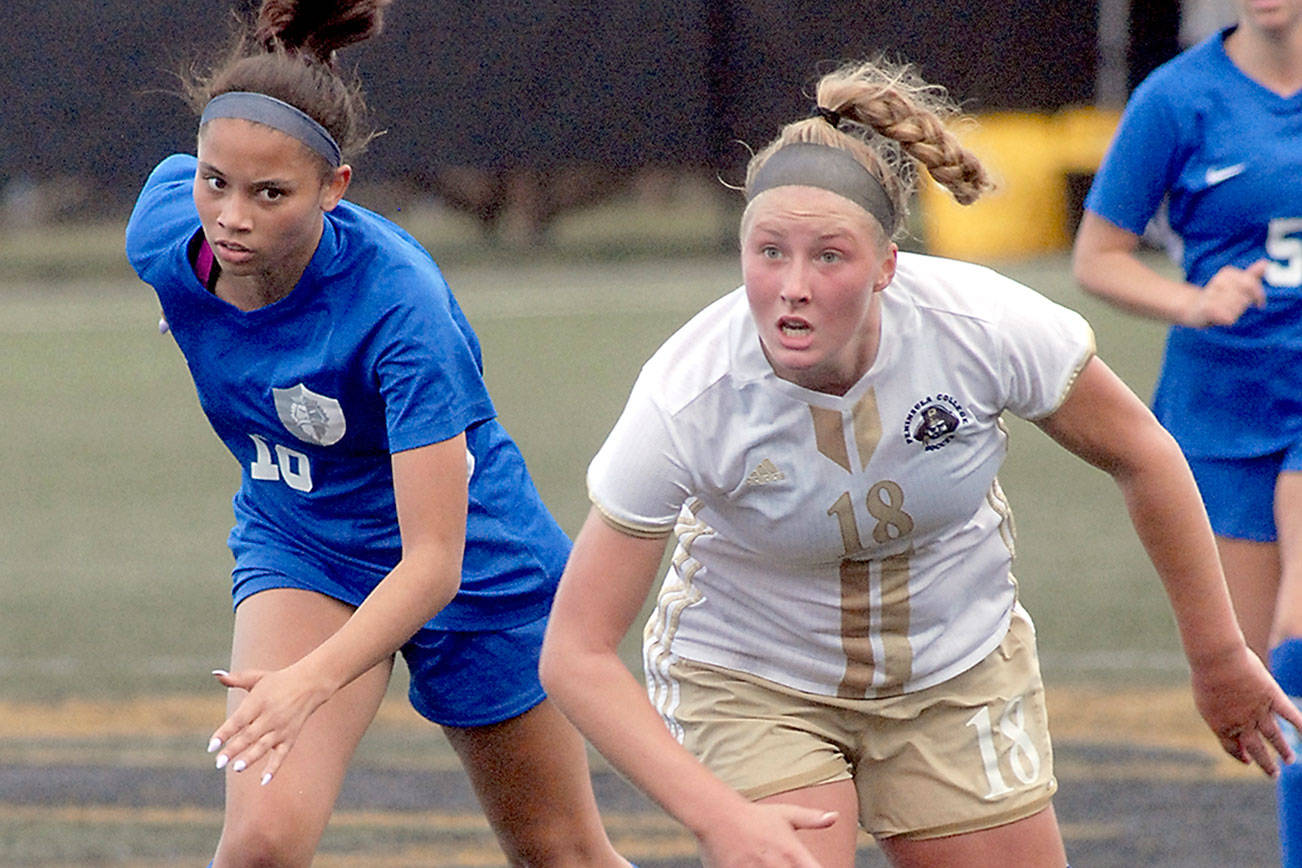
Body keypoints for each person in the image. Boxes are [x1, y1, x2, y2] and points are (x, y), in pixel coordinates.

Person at [539, 57, 1302, 868]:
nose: (791, 286)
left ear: (887, 268)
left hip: (954, 664)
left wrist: (1220, 656)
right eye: (768, 252)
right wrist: (721, 816)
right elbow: (576, 653)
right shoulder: (689, 394)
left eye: (828, 256)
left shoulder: (978, 325)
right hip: (754, 679)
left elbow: (1144, 454)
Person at [124, 2, 630, 865]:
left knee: (560, 853)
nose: (232, 216)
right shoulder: (168, 233)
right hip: (306, 541)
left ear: (336, 189)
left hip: (475, 568)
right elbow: (198, 242)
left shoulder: (402, 308)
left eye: (270, 193)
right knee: (261, 844)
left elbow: (435, 561)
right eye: (217, 182)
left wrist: (304, 685)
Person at [1071, 1, 1302, 862]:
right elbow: (1097, 256)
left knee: (1299, 639)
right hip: (1224, 413)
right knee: (1267, 695)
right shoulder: (1178, 99)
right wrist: (1193, 302)